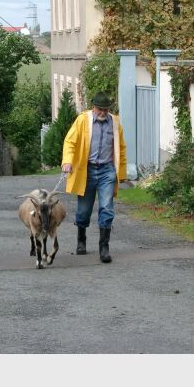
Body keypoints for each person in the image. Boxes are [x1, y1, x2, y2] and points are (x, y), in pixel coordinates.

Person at [62, 91, 127, 263]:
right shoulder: (83, 120)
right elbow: (70, 142)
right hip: (87, 170)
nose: (103, 113)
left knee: (106, 207)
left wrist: (121, 173)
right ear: (93, 107)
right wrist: (67, 162)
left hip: (107, 170)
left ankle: (104, 247)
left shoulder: (115, 123)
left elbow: (121, 147)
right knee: (84, 210)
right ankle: (81, 239)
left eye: (106, 110)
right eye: (100, 109)